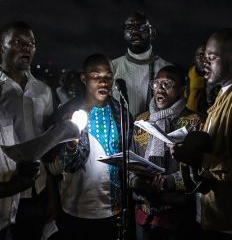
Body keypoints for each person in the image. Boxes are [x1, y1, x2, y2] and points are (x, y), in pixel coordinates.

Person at [171, 28, 232, 239]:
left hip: (231, 224)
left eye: (212, 58)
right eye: (204, 58)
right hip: (209, 217)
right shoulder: (224, 93)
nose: (205, 64)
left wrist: (199, 160)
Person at [46, 54, 133, 240]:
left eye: (108, 77)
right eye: (96, 75)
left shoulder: (121, 113)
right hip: (75, 211)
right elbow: (53, 168)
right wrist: (71, 146)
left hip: (113, 210)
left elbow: (127, 160)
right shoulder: (66, 113)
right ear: (84, 78)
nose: (103, 82)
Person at [130, 65, 204, 240]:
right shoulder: (141, 120)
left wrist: (166, 182)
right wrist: (137, 181)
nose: (160, 89)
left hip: (177, 214)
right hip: (143, 212)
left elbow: (200, 170)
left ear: (182, 89)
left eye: (167, 84)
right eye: (156, 84)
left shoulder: (195, 123)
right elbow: (130, 162)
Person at [0, 21, 53, 240]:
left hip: (36, 191)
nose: (26, 48)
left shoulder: (43, 91)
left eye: (31, 43)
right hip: (3, 193)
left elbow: (47, 142)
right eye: (18, 42)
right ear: (1, 48)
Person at [112, 11, 171, 118]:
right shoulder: (112, 68)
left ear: (152, 32)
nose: (134, 31)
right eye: (129, 27)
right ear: (123, 33)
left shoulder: (167, 69)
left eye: (141, 27)